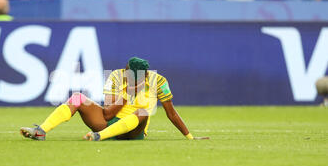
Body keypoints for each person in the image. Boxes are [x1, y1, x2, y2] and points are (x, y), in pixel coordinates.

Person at [20, 57, 209, 141]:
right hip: (109, 123)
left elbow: (171, 113)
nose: (127, 76)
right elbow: (107, 112)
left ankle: (98, 138)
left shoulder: (159, 81)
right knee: (78, 97)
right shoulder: (116, 77)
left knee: (144, 111)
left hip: (134, 131)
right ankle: (41, 131)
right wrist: (127, 94)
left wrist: (190, 137)